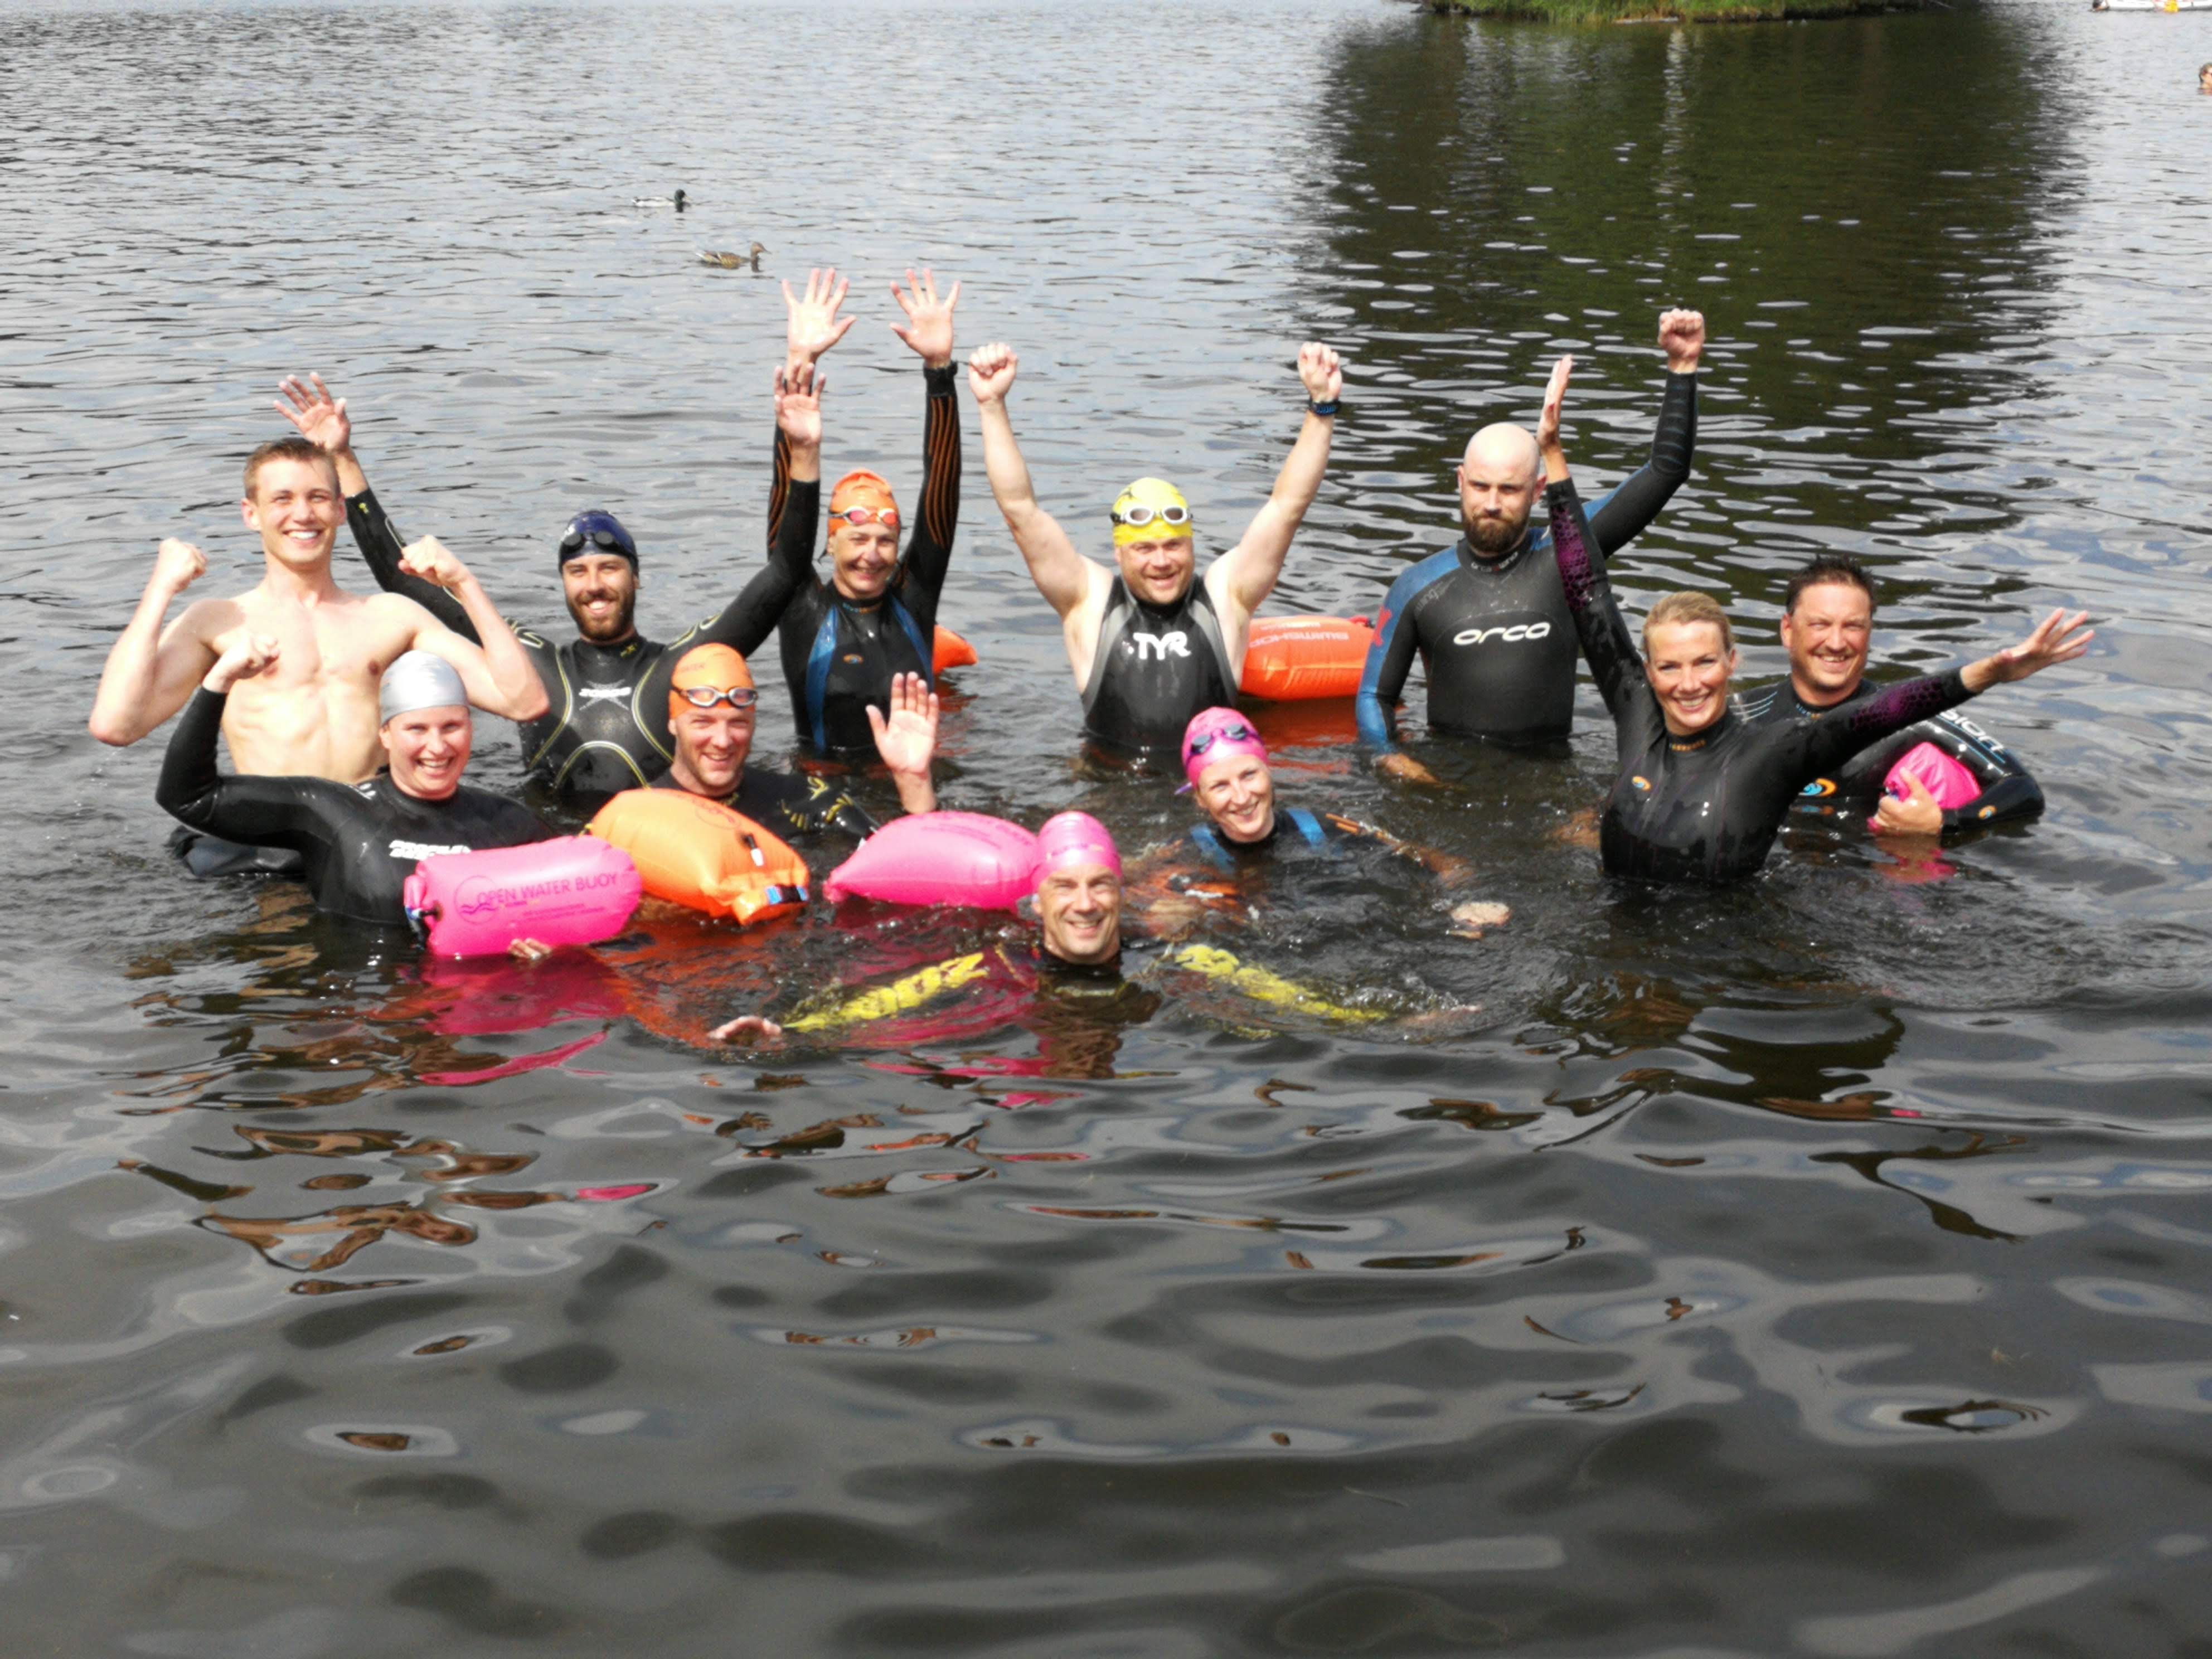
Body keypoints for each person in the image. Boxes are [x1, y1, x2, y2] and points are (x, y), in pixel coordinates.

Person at [1539, 355, 2093, 884]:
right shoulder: (1642, 718)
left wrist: (1988, 674)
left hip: (1722, 959)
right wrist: (1553, 457)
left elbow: (1877, 715)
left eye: (1705, 662)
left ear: (1731, 663)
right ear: (1649, 674)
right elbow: (1587, 595)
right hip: (1620, 955)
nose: (1689, 683)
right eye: (1670, 667)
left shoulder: (1769, 751)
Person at [279, 371, 808, 799]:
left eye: (610, 568)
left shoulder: (681, 668)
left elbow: (784, 573)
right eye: (578, 573)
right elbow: (405, 578)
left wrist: (801, 449)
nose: (595, 585)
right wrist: (342, 460)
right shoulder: (531, 665)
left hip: (659, 846)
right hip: (552, 858)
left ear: (637, 579)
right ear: (563, 585)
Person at [1357, 311, 1704, 778]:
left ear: (1539, 490)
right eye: (1480, 487)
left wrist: (1681, 369)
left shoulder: (1568, 554)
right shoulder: (1418, 587)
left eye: (1509, 490)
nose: (1492, 503)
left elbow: (1665, 472)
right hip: (1453, 782)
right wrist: (1389, 756)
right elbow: (1374, 695)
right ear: (1460, 482)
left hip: (1550, 777)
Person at [90, 436, 547, 785]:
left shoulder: (391, 617)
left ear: (341, 510)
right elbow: (116, 725)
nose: (303, 515)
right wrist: (160, 590)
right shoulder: (218, 622)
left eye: (317, 498)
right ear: (251, 514)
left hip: (365, 827)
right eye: (283, 500)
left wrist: (465, 585)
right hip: (272, 839)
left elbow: (522, 701)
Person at [968, 336, 1345, 758]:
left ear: (1191, 545)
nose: (1162, 561)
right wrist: (991, 406)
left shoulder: (1226, 597)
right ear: (1119, 553)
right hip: (1112, 792)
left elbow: (1286, 508)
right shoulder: (1088, 602)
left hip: (1209, 795)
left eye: (1173, 546)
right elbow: (1021, 511)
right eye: (1144, 549)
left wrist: (1322, 408)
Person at [157, 645, 556, 926]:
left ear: (470, 728)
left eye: (451, 727)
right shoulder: (332, 811)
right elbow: (187, 797)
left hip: (469, 1012)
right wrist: (219, 683)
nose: (437, 747)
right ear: (385, 735)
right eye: (416, 729)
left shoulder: (511, 824)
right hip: (364, 1017)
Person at [762, 268, 965, 753]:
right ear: (830, 542)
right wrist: (801, 360)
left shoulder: (914, 603)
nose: (872, 555)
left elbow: (943, 483)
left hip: (907, 789)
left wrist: (940, 371)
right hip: (823, 803)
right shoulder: (802, 607)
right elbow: (786, 504)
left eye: (886, 540)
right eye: (858, 539)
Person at [1131, 707, 1511, 938]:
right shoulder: (1181, 854)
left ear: (1269, 772)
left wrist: (1460, 904)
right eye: (1220, 786)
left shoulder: (1321, 828)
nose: (1242, 798)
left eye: (1249, 775)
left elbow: (1444, 863)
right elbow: (1129, 896)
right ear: (1199, 798)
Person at [1738, 554, 2045, 838]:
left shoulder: (1913, 714)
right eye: (1820, 624)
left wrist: (1946, 822)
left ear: (1870, 633)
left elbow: (2023, 790)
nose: (1836, 642)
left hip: (1870, 870)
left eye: (1853, 626)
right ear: (1788, 630)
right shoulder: (1741, 715)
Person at [652, 643, 936, 843]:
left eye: (738, 723)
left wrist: (913, 780)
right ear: (673, 722)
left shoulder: (811, 800)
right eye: (703, 723)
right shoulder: (636, 815)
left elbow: (908, 866)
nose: (723, 741)